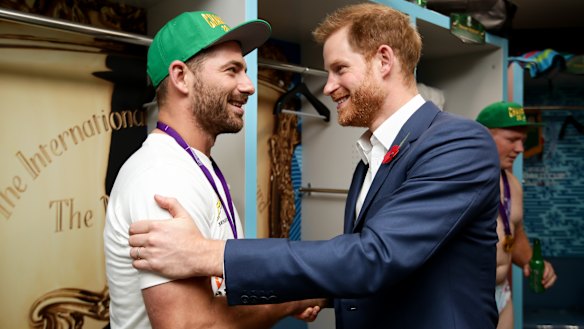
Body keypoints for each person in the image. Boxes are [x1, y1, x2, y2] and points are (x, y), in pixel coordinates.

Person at [128, 3, 502, 328]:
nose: (327, 87)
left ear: (384, 61)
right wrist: (314, 294)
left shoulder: (458, 143)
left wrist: (205, 253)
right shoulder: (372, 156)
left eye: (340, 69)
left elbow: (375, 257)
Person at [103, 11, 323, 329]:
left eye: (245, 71)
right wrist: (295, 299)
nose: (248, 86)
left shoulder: (192, 162)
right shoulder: (162, 176)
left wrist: (280, 295)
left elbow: (220, 293)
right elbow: (193, 325)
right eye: (232, 70)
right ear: (180, 77)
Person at [476, 101, 558, 329]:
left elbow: (515, 233)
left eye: (522, 140)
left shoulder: (513, 184)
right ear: (482, 135)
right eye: (513, 140)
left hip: (502, 294)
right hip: (468, 293)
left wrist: (530, 261)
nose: (521, 149)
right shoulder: (460, 182)